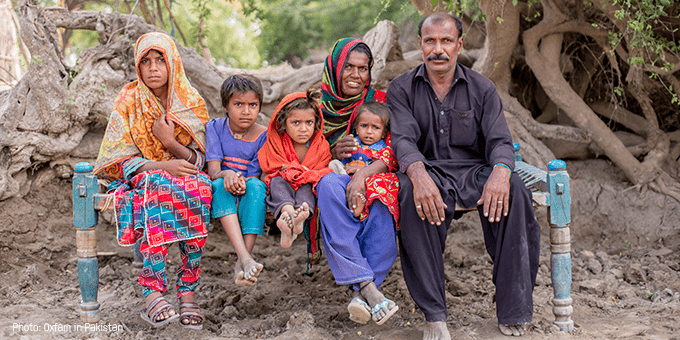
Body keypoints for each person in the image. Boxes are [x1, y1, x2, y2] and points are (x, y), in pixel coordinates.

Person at [387, 13, 541, 339]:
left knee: (515, 190)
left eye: (446, 41)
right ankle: (434, 314)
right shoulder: (401, 88)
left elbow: (499, 141)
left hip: (475, 173)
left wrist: (501, 172)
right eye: (430, 41)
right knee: (409, 194)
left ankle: (513, 307)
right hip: (430, 173)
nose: (437, 49)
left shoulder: (482, 88)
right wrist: (418, 175)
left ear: (459, 45)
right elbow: (403, 140)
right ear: (420, 44)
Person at [93, 32, 211, 329]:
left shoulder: (190, 101)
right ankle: (152, 291)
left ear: (173, 63)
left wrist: (170, 143)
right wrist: (162, 165)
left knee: (201, 188)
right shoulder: (129, 100)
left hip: (185, 178)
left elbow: (203, 161)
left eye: (161, 60)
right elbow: (117, 161)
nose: (154, 68)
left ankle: (187, 290)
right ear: (138, 66)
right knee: (159, 185)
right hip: (143, 178)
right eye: (146, 61)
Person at [315, 38, 400, 326]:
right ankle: (369, 288)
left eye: (363, 68)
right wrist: (332, 149)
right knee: (327, 187)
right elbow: (308, 148)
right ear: (334, 67)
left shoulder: (381, 102)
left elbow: (395, 148)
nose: (355, 75)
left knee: (380, 209)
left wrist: (363, 176)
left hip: (379, 177)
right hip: (338, 174)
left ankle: (362, 292)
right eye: (348, 66)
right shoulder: (318, 106)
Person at [206, 74, 268, 287]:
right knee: (217, 186)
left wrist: (241, 182)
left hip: (247, 186)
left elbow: (254, 174)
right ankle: (244, 258)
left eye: (253, 105)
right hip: (222, 184)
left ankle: (244, 259)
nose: (246, 111)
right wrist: (227, 174)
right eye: (238, 104)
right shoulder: (215, 127)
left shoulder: (264, 135)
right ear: (225, 106)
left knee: (257, 187)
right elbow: (214, 170)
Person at [257, 89, 333, 249]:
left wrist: (297, 171)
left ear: (316, 122)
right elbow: (268, 168)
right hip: (283, 187)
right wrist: (296, 172)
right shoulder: (276, 143)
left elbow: (322, 172)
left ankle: (298, 218)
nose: (303, 129)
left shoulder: (320, 146)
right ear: (283, 123)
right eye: (296, 123)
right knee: (277, 182)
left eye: (309, 123)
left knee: (309, 187)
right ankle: (288, 213)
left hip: (306, 189)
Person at [329, 102, 389, 176]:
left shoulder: (383, 150)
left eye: (376, 127)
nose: (369, 131)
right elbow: (345, 160)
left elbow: (379, 169)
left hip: (366, 178)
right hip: (346, 172)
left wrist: (360, 169)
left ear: (383, 133)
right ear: (357, 129)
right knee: (333, 164)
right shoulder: (352, 143)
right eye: (364, 126)